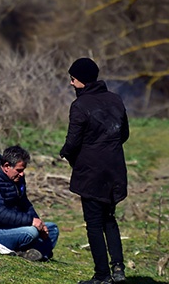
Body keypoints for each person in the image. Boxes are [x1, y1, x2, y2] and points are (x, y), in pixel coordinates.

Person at [60, 58, 129, 284]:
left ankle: (102, 276)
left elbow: (73, 143)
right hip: (115, 169)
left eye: (73, 78)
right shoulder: (116, 99)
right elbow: (124, 134)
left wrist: (66, 154)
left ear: (82, 80)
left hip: (91, 172)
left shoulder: (79, 106)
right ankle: (118, 269)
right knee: (109, 218)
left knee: (94, 224)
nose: (70, 83)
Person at [0, 145, 59, 261]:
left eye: (23, 170)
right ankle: (37, 252)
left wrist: (40, 223)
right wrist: (31, 222)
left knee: (52, 229)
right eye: (19, 170)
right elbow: (0, 213)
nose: (22, 174)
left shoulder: (17, 179)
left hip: (10, 228)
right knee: (31, 232)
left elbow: (25, 204)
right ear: (6, 166)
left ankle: (33, 253)